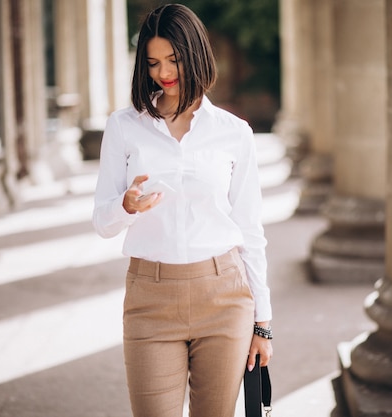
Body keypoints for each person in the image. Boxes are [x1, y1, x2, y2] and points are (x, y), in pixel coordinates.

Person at [92, 4, 272, 416]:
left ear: (195, 54)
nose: (163, 72)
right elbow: (102, 222)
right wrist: (126, 206)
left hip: (224, 295)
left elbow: (250, 230)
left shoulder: (233, 133)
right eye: (153, 62)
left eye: (174, 59)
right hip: (150, 298)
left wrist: (263, 323)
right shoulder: (124, 126)